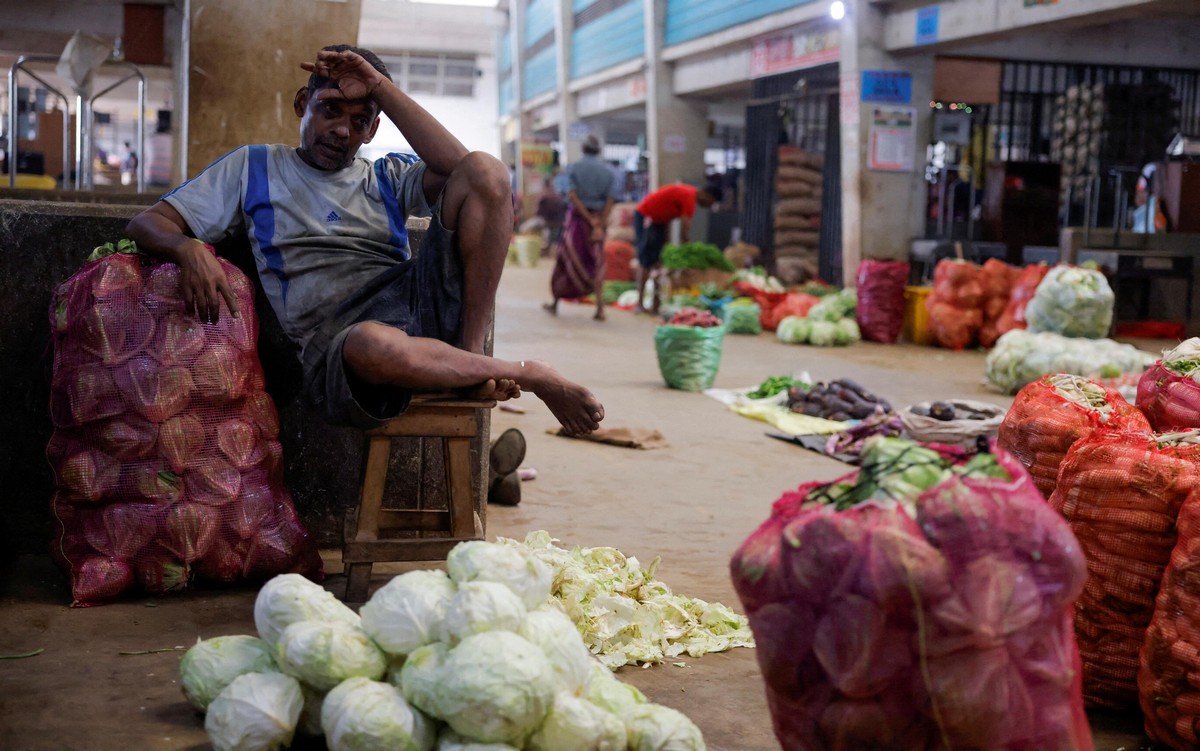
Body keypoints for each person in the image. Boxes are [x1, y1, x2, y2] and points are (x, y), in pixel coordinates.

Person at [125, 44, 604, 436]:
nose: (341, 130)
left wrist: (380, 87)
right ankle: (528, 372)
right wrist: (187, 249)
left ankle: (472, 356)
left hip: (418, 305)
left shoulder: (386, 175)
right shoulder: (254, 166)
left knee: (487, 169)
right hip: (341, 342)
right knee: (375, 344)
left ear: (373, 128)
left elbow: (467, 170)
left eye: (359, 120)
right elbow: (148, 223)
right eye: (330, 110)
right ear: (301, 105)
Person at [543, 134, 618, 321]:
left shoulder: (574, 168)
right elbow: (610, 199)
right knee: (596, 262)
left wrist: (586, 217)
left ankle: (555, 303)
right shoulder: (608, 172)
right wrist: (599, 221)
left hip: (578, 221)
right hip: (598, 222)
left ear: (583, 149)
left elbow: (573, 196)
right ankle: (600, 309)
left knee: (566, 259)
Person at [632, 180, 722, 314]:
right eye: (712, 202)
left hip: (658, 223)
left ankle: (655, 303)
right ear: (707, 195)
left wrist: (666, 243)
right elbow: (685, 230)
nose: (709, 206)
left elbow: (667, 218)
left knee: (658, 261)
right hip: (647, 217)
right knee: (646, 261)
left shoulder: (688, 194)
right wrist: (689, 250)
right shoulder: (689, 197)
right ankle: (639, 304)